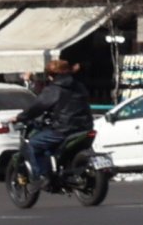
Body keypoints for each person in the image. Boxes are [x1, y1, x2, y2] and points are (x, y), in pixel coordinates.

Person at [19, 53, 92, 182]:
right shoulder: (79, 86)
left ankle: (43, 176)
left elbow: (38, 106)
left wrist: (20, 117)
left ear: (51, 75)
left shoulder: (54, 89)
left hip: (64, 129)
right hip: (85, 126)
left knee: (34, 144)